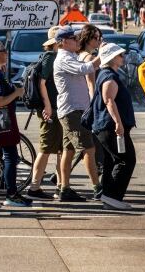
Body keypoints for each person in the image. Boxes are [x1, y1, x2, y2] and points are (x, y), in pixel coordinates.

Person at [53, 25, 101, 202]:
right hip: (72, 110)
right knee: (89, 149)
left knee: (69, 150)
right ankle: (97, 187)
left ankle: (64, 188)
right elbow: (85, 69)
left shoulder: (71, 55)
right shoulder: (64, 58)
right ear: (64, 42)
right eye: (73, 39)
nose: (77, 41)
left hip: (74, 109)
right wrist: (103, 54)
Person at [0, 41, 32, 207]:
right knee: (11, 156)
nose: (6, 53)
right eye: (3, 51)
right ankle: (11, 193)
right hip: (0, 119)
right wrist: (17, 93)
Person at [91, 43, 136, 211]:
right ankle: (112, 196)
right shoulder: (109, 76)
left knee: (112, 160)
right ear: (111, 58)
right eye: (119, 55)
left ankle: (109, 196)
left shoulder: (108, 74)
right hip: (110, 127)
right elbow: (108, 100)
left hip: (106, 126)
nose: (122, 57)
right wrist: (118, 122)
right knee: (126, 159)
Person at [27, 26, 63, 200]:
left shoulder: (52, 56)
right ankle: (34, 187)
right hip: (51, 109)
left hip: (56, 108)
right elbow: (42, 83)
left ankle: (61, 185)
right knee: (46, 147)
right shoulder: (50, 57)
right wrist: (48, 106)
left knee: (61, 149)